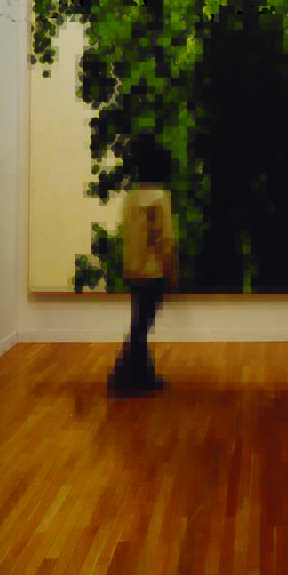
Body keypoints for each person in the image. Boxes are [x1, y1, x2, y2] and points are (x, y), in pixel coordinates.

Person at [107, 136, 178, 397]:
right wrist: (171, 271)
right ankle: (120, 376)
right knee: (141, 325)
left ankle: (143, 376)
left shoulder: (132, 198)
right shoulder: (159, 197)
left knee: (139, 322)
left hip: (133, 270)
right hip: (152, 271)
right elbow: (165, 239)